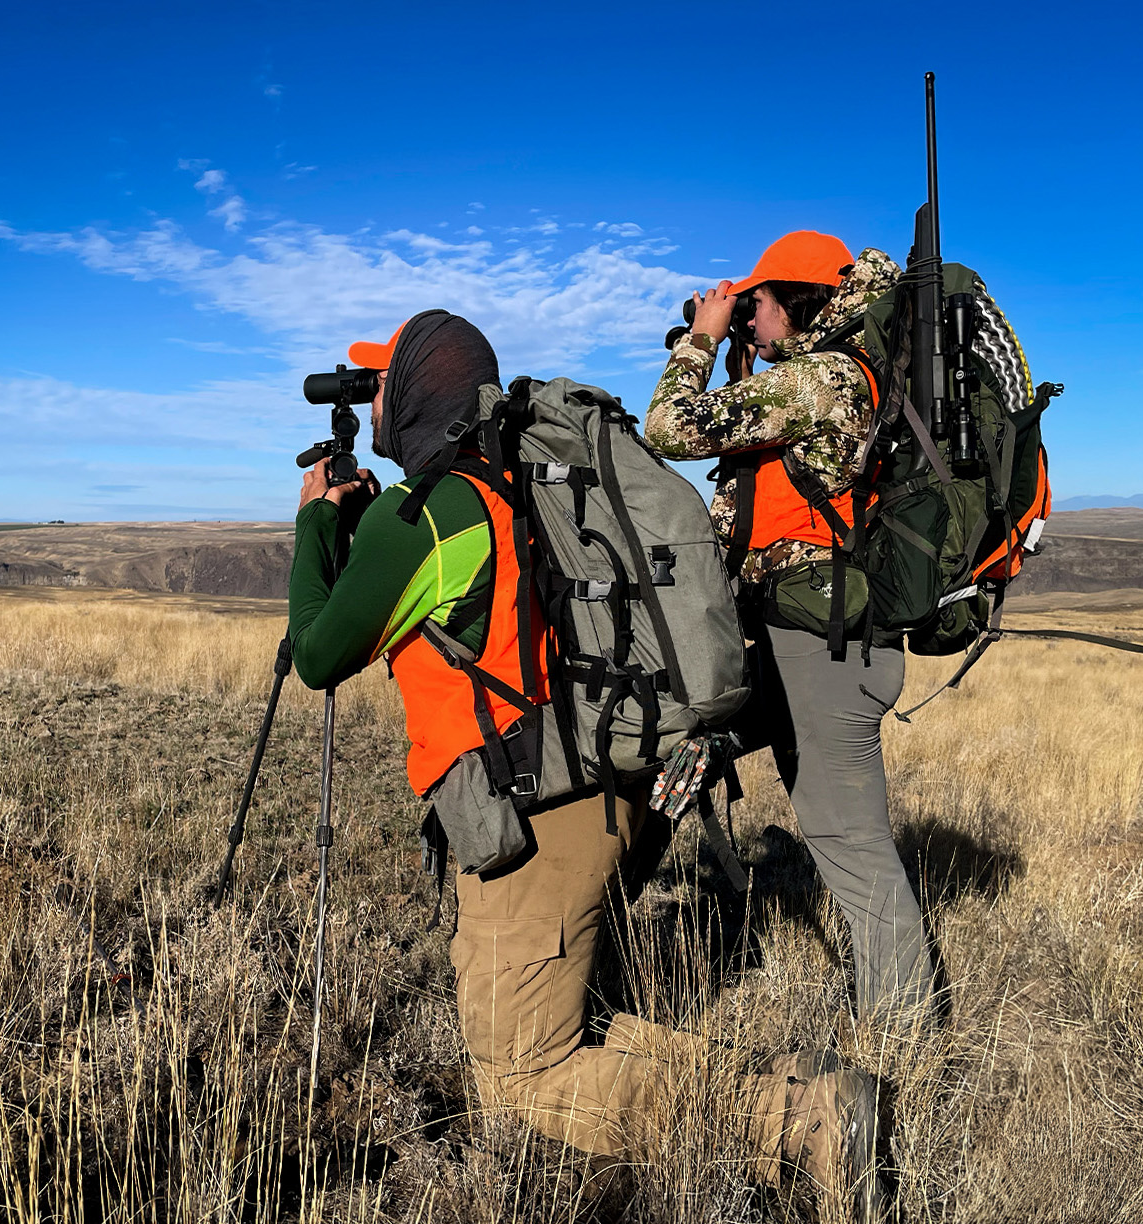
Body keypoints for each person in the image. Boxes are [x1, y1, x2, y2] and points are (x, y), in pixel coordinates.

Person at [288, 308, 883, 1215]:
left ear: (416, 391)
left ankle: (787, 1120)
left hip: (537, 825)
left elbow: (321, 653)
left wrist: (314, 528)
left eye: (380, 385)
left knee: (523, 1076)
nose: (370, 403)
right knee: (570, 1024)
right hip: (602, 787)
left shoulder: (426, 518)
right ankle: (808, 1085)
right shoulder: (510, 478)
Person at [644, 231, 937, 1028]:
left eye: (757, 301)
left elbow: (669, 428)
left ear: (800, 299)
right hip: (798, 631)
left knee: (847, 838)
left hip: (827, 644)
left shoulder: (824, 377)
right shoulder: (815, 375)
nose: (747, 316)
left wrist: (703, 337)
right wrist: (734, 349)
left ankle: (907, 1030)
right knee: (693, 749)